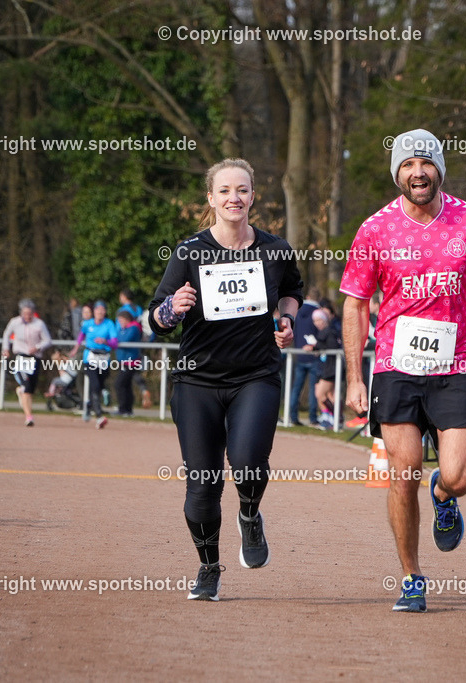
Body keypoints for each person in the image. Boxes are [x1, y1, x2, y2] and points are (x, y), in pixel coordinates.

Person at [341, 128, 466, 612]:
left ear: (440, 169)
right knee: (403, 472)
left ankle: (444, 498)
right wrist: (356, 378)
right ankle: (411, 577)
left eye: (425, 163)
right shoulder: (374, 229)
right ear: (397, 173)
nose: (417, 172)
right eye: (407, 165)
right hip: (396, 366)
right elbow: (356, 305)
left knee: (459, 474)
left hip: (457, 361)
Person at [148, 158, 303, 602]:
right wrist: (170, 309)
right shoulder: (189, 252)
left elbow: (294, 290)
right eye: (224, 191)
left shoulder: (274, 250)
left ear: (253, 196)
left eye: (242, 190)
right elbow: (155, 320)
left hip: (256, 375)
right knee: (203, 485)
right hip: (197, 383)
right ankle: (209, 567)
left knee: (249, 462)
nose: (233, 198)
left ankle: (250, 516)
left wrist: (287, 320)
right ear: (211, 199)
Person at [1, 299, 52, 427]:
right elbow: (6, 335)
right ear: (21, 313)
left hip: (34, 358)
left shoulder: (39, 324)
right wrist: (6, 349)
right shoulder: (15, 322)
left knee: (31, 388)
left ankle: (21, 391)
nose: (27, 316)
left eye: (30, 314)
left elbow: (48, 340)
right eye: (25, 313)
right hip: (21, 357)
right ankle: (29, 416)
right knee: (27, 387)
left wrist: (38, 347)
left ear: (33, 313)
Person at [74, 300, 119, 429]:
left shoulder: (109, 324)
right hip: (90, 358)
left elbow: (115, 343)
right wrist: (76, 348)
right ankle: (99, 416)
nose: (100, 312)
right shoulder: (87, 324)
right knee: (95, 385)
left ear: (105, 312)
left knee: (99, 387)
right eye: (97, 310)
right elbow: (81, 336)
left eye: (102, 310)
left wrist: (105, 341)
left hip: (104, 358)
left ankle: (88, 406)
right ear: (94, 312)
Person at [288, 288, 322, 426]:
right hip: (313, 355)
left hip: (299, 354)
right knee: (313, 388)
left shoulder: (298, 311)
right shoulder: (318, 313)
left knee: (296, 388)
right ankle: (313, 417)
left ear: (307, 296)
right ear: (317, 298)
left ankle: (292, 416)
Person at [308, 308, 341, 429]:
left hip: (331, 368)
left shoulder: (330, 332)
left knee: (320, 394)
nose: (316, 323)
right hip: (325, 367)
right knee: (329, 395)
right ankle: (331, 418)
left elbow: (332, 347)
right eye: (314, 321)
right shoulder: (323, 332)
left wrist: (316, 346)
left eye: (318, 320)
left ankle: (332, 418)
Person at [115, 310, 145, 417]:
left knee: (119, 384)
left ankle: (123, 409)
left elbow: (123, 339)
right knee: (126, 385)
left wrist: (117, 337)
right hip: (124, 361)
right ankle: (127, 409)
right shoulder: (125, 329)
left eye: (121, 320)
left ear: (126, 319)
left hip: (131, 361)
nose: (120, 323)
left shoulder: (133, 328)